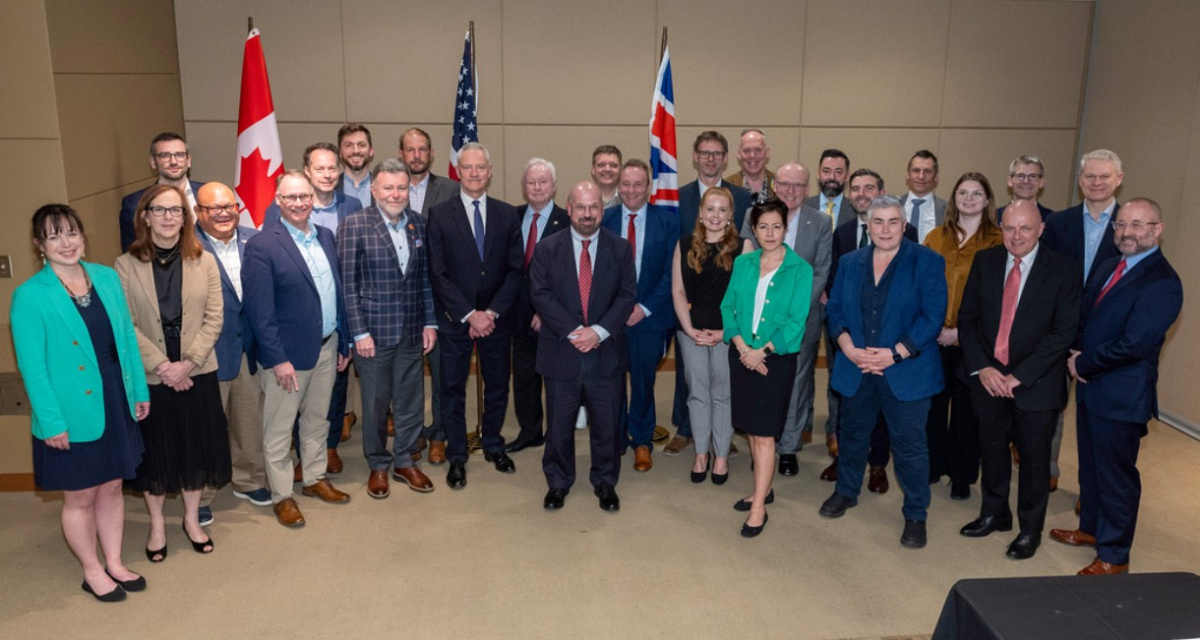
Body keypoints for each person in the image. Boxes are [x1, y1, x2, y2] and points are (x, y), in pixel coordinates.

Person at [12, 205, 151, 602]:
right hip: (69, 410)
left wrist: (139, 391)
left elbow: (126, 339)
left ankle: (115, 562)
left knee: (113, 485)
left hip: (115, 396)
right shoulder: (30, 296)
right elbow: (33, 368)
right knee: (81, 495)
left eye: (71, 232)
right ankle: (92, 571)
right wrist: (51, 421)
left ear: (83, 236)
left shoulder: (105, 278)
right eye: (54, 236)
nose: (66, 243)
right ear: (39, 245)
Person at [1051, 197, 1183, 575]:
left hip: (1122, 395)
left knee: (1116, 477)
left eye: (1137, 225)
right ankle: (1091, 529)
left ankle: (1114, 556)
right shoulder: (1111, 265)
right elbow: (1087, 317)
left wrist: (1083, 363)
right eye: (1121, 225)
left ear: (1157, 230)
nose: (1126, 232)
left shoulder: (1163, 282)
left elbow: (1135, 344)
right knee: (1092, 468)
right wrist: (1075, 353)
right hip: (1091, 387)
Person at [820, 196, 946, 549]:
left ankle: (916, 513)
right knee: (852, 435)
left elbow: (932, 316)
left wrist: (895, 354)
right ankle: (846, 490)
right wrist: (847, 347)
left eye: (893, 222)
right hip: (857, 366)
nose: (886, 229)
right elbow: (836, 309)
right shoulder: (850, 262)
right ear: (868, 225)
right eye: (879, 222)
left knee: (910, 446)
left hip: (906, 371)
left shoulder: (927, 261)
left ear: (904, 226)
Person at [957, 200, 1081, 560]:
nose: (1017, 236)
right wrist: (983, 368)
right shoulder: (985, 261)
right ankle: (995, 512)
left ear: (1041, 229)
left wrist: (1020, 376)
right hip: (989, 379)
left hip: (1037, 384)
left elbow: (1063, 332)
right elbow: (967, 319)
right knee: (992, 449)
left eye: (1025, 228)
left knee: (1034, 460)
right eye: (1010, 228)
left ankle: (1029, 529)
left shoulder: (1064, 269)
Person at [115, 184, 230, 560]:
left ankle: (192, 520)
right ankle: (157, 524)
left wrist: (188, 364)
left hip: (197, 370)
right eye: (159, 210)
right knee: (157, 454)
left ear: (186, 218)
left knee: (195, 449)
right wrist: (164, 366)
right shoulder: (125, 265)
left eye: (176, 210)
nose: (168, 217)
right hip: (153, 375)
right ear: (145, 217)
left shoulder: (205, 260)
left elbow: (215, 318)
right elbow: (125, 324)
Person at [243, 171, 353, 527]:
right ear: (278, 200)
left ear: (313, 199)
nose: (298, 203)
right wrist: (277, 359)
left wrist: (343, 340)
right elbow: (260, 312)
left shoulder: (326, 236)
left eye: (304, 196)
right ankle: (282, 495)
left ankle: (315, 477)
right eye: (290, 197)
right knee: (279, 429)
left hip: (327, 347)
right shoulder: (262, 246)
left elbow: (336, 294)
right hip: (288, 358)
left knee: (318, 420)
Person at [530, 182, 637, 512]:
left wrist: (599, 332)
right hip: (561, 352)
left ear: (602, 210)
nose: (587, 214)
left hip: (606, 353)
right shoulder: (547, 248)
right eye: (581, 207)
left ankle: (605, 481)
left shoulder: (620, 248)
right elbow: (540, 295)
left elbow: (626, 295)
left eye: (593, 207)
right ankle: (558, 482)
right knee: (558, 426)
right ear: (569, 208)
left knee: (607, 426)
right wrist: (577, 331)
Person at [338, 159, 437, 499]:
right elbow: (348, 285)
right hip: (373, 334)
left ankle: (405, 460)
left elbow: (425, 279)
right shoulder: (355, 224)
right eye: (388, 187)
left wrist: (429, 322)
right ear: (374, 190)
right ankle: (378, 464)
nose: (396, 194)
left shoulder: (419, 223)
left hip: (411, 330)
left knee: (410, 401)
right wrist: (359, 333)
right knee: (376, 405)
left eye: (402, 187)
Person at [426, 142, 524, 489]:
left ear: (490, 171)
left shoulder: (507, 214)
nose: (474, 173)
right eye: (467, 167)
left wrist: (491, 312)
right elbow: (437, 273)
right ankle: (457, 455)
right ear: (458, 171)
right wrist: (470, 314)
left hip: (496, 320)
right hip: (455, 320)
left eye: (480, 167)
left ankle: (494, 444)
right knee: (452, 389)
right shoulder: (439, 214)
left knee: (497, 385)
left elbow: (515, 270)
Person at [264, 142, 363, 471]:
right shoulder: (278, 213)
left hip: (335, 316)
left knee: (332, 392)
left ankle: (328, 449)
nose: (327, 174)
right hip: (296, 324)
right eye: (320, 168)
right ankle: (298, 460)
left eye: (333, 168)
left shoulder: (352, 205)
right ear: (307, 172)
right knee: (293, 399)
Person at [721, 198, 812, 537]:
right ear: (754, 230)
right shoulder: (743, 263)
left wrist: (762, 352)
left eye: (777, 226)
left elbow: (796, 321)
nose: (770, 233)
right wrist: (744, 349)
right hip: (742, 354)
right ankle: (764, 488)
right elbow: (728, 307)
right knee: (751, 429)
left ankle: (758, 506)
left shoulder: (800, 269)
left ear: (786, 229)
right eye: (763, 227)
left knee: (764, 434)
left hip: (775, 359)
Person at [820, 169, 915, 485]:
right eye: (856, 188)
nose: (861, 193)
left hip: (889, 339)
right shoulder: (843, 231)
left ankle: (877, 463)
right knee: (846, 397)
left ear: (881, 192)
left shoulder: (908, 233)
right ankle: (844, 459)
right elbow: (835, 280)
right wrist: (845, 336)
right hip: (849, 335)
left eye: (869, 187)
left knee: (883, 401)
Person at [740, 163, 830, 477]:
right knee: (761, 383)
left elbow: (821, 272)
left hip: (800, 322)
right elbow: (746, 265)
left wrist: (793, 311)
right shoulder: (754, 216)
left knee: (796, 386)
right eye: (785, 184)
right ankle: (763, 445)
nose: (791, 191)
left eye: (799, 185)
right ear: (774, 185)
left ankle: (788, 448)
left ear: (808, 188)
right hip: (759, 321)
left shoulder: (821, 222)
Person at [669, 132, 753, 456]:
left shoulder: (742, 197)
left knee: (723, 386)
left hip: (726, 313)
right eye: (704, 152)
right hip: (691, 303)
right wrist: (686, 316)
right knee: (690, 378)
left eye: (717, 153)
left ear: (726, 158)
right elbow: (675, 250)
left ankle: (721, 439)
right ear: (695, 156)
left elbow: (747, 260)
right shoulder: (678, 197)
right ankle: (687, 430)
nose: (710, 158)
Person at [921, 172, 1003, 501]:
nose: (969, 199)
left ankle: (961, 475)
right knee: (934, 406)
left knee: (967, 412)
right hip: (934, 337)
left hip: (975, 340)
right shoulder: (935, 237)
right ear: (953, 198)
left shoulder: (998, 240)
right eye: (962, 193)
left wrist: (960, 333)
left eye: (976, 193)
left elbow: (997, 297)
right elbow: (922, 285)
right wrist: (935, 328)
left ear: (987, 200)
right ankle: (932, 465)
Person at [194, 183, 270, 508]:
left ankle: (248, 480)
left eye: (229, 206)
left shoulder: (256, 240)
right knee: (205, 430)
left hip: (248, 351)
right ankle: (201, 497)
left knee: (249, 421)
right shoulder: (185, 247)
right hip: (205, 354)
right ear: (198, 213)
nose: (224, 213)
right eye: (214, 208)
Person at [602, 159, 677, 472]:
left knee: (644, 382)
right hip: (611, 320)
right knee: (612, 381)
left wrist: (642, 309)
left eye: (638, 184)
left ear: (649, 187)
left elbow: (671, 274)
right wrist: (617, 310)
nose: (631, 190)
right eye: (626, 184)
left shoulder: (668, 222)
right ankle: (616, 437)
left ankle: (642, 441)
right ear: (619, 186)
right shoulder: (605, 219)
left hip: (650, 318)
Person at [672, 187, 743, 484]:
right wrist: (689, 330)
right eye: (710, 209)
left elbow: (746, 299)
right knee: (698, 393)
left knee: (723, 395)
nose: (715, 215)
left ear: (730, 214)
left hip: (728, 334)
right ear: (701, 213)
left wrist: (725, 333)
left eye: (722, 210)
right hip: (692, 332)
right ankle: (701, 453)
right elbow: (678, 291)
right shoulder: (684, 244)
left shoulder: (744, 247)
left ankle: (721, 456)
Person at [400, 127, 458, 463]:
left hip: (440, 301)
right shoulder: (390, 188)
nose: (417, 155)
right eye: (410, 150)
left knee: (442, 375)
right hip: (403, 301)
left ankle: (438, 434)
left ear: (432, 153)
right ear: (401, 153)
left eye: (422, 149)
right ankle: (411, 436)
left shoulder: (451, 189)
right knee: (407, 377)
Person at [507, 158, 570, 453]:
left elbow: (571, 274)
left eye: (543, 181)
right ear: (523, 186)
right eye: (531, 182)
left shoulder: (567, 221)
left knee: (556, 381)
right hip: (518, 316)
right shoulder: (512, 217)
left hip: (553, 318)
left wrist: (546, 312)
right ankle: (530, 432)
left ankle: (557, 436)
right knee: (524, 379)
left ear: (554, 186)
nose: (537, 187)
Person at [119, 132, 204, 252]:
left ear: (188, 160)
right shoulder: (134, 203)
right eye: (165, 155)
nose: (173, 161)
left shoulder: (209, 194)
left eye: (179, 155)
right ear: (153, 162)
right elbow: (132, 253)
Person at [899, 150, 946, 243]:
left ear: (936, 176)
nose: (921, 176)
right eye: (916, 170)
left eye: (927, 171)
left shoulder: (948, 211)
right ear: (908, 174)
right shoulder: (894, 205)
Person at [803, 149, 856, 230]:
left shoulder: (856, 211)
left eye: (838, 172)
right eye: (826, 171)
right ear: (818, 174)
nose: (832, 177)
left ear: (847, 176)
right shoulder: (803, 207)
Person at [996, 155, 1054, 223]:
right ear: (1010, 181)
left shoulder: (1052, 220)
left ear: (1041, 182)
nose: (1026, 181)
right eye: (1020, 176)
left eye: (1033, 176)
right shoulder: (993, 218)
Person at [724, 129, 774, 205]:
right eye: (747, 150)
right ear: (739, 154)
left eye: (758, 150)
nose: (752, 155)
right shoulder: (726, 187)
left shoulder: (781, 184)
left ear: (767, 152)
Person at [336, 124, 374, 207]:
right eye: (348, 145)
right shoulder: (331, 188)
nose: (356, 151)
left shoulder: (384, 186)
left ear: (371, 151)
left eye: (361, 145)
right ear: (340, 153)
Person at [591, 145, 623, 210]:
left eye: (613, 165)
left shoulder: (630, 200)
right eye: (601, 165)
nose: (607, 169)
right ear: (593, 170)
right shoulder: (581, 199)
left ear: (621, 170)